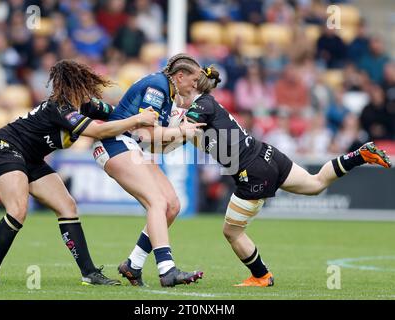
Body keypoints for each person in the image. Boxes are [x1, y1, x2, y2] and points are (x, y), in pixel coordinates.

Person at [122, 65, 393, 287]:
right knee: (314, 184)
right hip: (268, 155)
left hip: (252, 172)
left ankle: (261, 276)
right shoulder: (206, 108)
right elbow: (172, 141)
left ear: (191, 87)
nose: (175, 97)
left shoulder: (198, 108)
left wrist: (144, 130)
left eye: (180, 92)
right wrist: (147, 142)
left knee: (232, 231)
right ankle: (359, 155)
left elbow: (176, 133)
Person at [0, 59, 158, 285]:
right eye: (83, 85)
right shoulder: (60, 106)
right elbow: (97, 131)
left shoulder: (88, 105)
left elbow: (118, 116)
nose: (89, 92)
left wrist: (145, 118)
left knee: (68, 206)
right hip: (7, 148)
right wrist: (138, 119)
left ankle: (89, 274)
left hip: (32, 158)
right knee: (18, 209)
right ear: (73, 86)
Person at [92, 53, 205, 287]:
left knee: (172, 205)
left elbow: (153, 142)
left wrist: (179, 134)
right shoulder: (158, 87)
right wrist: (183, 132)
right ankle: (167, 270)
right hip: (114, 142)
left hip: (129, 144)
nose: (195, 87)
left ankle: (133, 264)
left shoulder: (167, 91)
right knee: (157, 202)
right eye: (194, 81)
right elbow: (146, 133)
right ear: (180, 76)